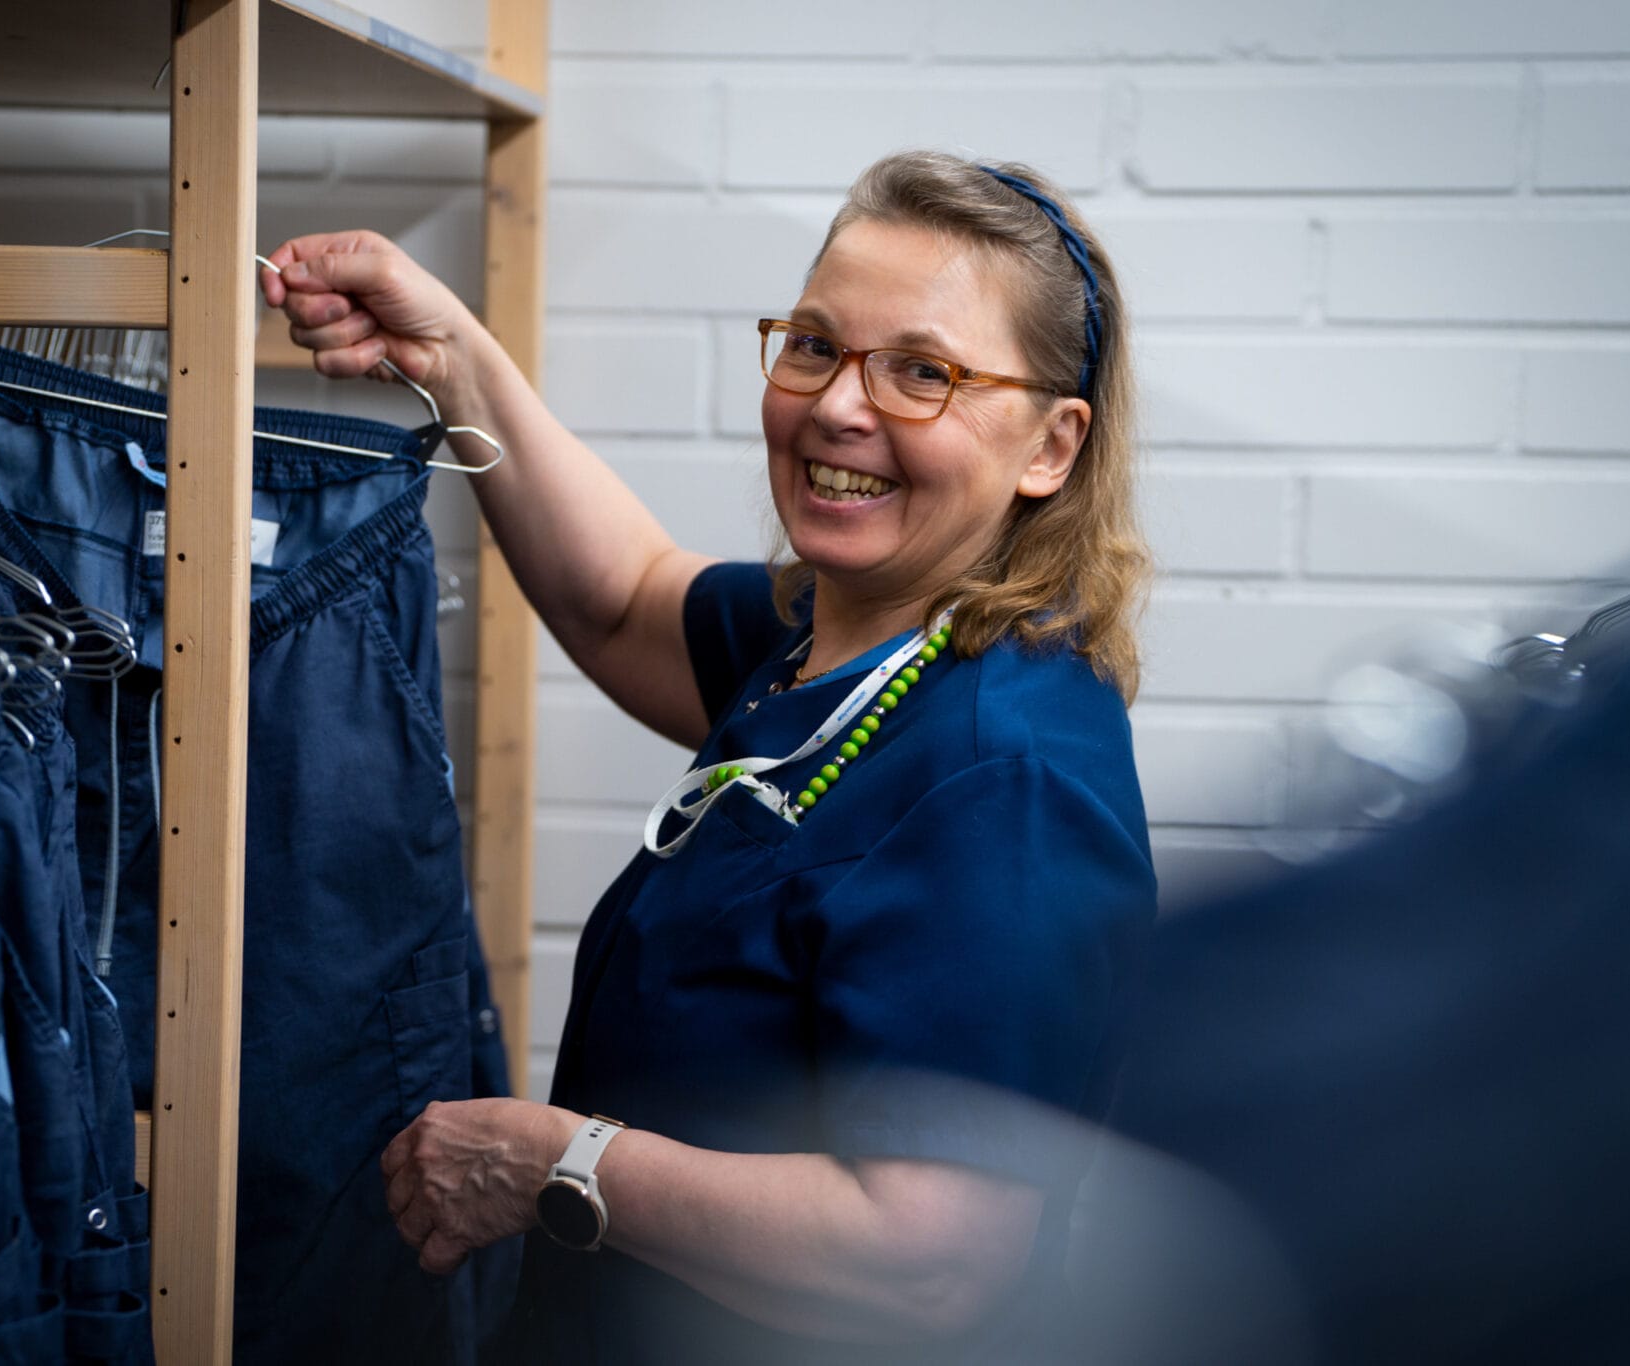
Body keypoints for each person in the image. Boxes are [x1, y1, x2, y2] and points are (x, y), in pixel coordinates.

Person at [261, 150, 1158, 1364]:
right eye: (813, 345)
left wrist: (553, 1161)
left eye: (920, 373)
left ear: (1050, 446)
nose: (839, 405)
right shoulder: (834, 635)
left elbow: (930, 1259)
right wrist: (451, 354)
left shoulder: (1004, 779)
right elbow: (623, 599)